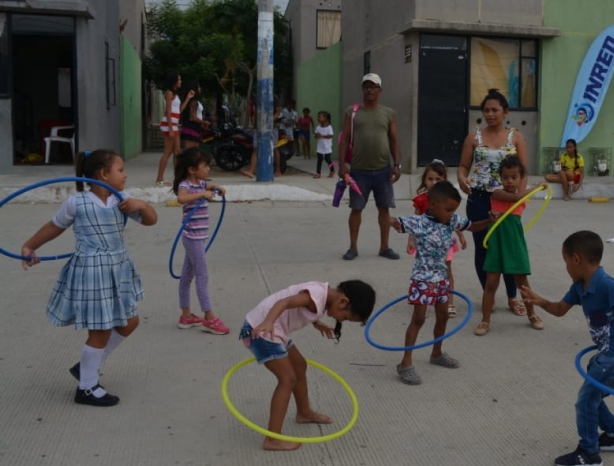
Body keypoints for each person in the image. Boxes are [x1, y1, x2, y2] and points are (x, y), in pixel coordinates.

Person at [20, 150, 158, 407]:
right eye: (120, 170)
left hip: (118, 269)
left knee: (131, 321)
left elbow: (151, 220)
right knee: (101, 330)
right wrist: (30, 246)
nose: (125, 175)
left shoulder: (123, 200)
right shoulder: (77, 203)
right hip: (93, 273)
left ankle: (86, 368)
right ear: (103, 174)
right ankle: (86, 387)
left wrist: (142, 205)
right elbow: (54, 226)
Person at [519, 230, 614, 466]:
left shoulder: (605, 283)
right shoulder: (579, 287)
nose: (566, 267)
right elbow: (560, 309)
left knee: (585, 401)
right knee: (593, 397)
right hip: (605, 356)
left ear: (576, 259)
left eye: (565, 261)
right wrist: (540, 301)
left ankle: (589, 453)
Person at [240, 280, 376, 451]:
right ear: (343, 302)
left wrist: (316, 322)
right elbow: (285, 302)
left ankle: (304, 412)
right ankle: (272, 439)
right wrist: (267, 322)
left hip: (276, 330)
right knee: (287, 379)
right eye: (345, 318)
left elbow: (303, 309)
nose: (340, 320)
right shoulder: (315, 296)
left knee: (299, 366)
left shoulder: (323, 296)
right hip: (261, 330)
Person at [390, 181, 496, 385]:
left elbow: (471, 226)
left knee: (443, 316)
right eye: (448, 209)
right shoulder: (419, 222)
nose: (450, 214)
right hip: (422, 278)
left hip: (441, 279)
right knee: (419, 319)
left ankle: (436, 353)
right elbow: (396, 222)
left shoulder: (452, 220)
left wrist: (488, 221)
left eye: (453, 210)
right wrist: (386, 217)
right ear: (432, 205)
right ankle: (405, 363)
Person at [457, 89, 529, 316]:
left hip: (507, 202)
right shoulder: (474, 137)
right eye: (486, 110)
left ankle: (512, 297)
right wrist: (461, 179)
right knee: (484, 248)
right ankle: (488, 294)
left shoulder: (515, 137)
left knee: (508, 248)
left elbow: (524, 172)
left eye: (495, 110)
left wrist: (520, 194)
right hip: (479, 199)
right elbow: (463, 167)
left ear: (505, 112)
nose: (490, 114)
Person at [473, 155, 546, 335]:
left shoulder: (521, 198)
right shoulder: (498, 194)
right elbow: (516, 198)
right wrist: (536, 187)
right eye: (506, 177)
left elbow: (519, 198)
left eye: (514, 178)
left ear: (521, 179)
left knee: (522, 283)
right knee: (491, 283)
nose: (510, 181)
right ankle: (485, 320)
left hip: (514, 242)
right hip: (497, 242)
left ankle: (532, 314)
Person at [337, 73, 403, 261]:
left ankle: (384, 247)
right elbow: (344, 141)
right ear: (362, 89)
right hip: (358, 171)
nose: (369, 90)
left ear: (380, 90)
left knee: (384, 209)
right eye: (366, 86)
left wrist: (397, 165)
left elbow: (394, 140)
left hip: (383, 170)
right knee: (356, 209)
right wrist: (343, 166)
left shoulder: (388, 113)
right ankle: (353, 247)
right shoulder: (352, 112)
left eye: (373, 86)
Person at [172, 147, 229, 335]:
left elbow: (209, 187)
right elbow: (181, 198)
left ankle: (186, 316)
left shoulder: (202, 183)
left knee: (187, 277)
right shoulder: (186, 185)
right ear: (192, 169)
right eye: (205, 166)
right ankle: (209, 317)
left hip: (198, 238)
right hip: (192, 238)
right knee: (202, 277)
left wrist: (216, 188)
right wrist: (201, 194)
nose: (208, 169)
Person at [408, 160, 467, 318]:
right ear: (425, 180)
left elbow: (454, 220)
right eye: (430, 179)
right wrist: (410, 240)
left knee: (446, 271)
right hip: (425, 245)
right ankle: (426, 299)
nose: (433, 182)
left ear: (444, 181)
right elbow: (413, 222)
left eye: (438, 179)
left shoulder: (446, 200)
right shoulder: (421, 200)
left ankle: (449, 302)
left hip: (443, 243)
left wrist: (461, 236)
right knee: (425, 272)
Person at [156, 73, 190, 186]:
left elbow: (179, 110)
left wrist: (188, 98)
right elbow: (168, 111)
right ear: (174, 81)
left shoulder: (175, 94)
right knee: (167, 152)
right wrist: (170, 129)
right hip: (169, 124)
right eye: (179, 80)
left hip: (174, 124)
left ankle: (178, 177)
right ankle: (159, 178)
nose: (180, 81)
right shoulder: (169, 93)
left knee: (177, 152)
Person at [178, 82, 206, 151]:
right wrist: (204, 122)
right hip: (192, 126)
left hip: (194, 126)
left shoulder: (194, 101)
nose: (200, 89)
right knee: (191, 149)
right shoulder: (193, 102)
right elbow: (193, 117)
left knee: (194, 149)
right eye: (198, 87)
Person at [314, 111, 335, 179]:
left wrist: (322, 136)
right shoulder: (318, 127)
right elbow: (315, 136)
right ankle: (318, 173)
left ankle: (332, 170)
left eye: (320, 117)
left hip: (327, 146)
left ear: (325, 118)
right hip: (320, 146)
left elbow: (331, 135)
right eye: (318, 117)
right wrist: (317, 135)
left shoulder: (329, 127)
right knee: (319, 160)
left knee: (328, 159)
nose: (318, 118)